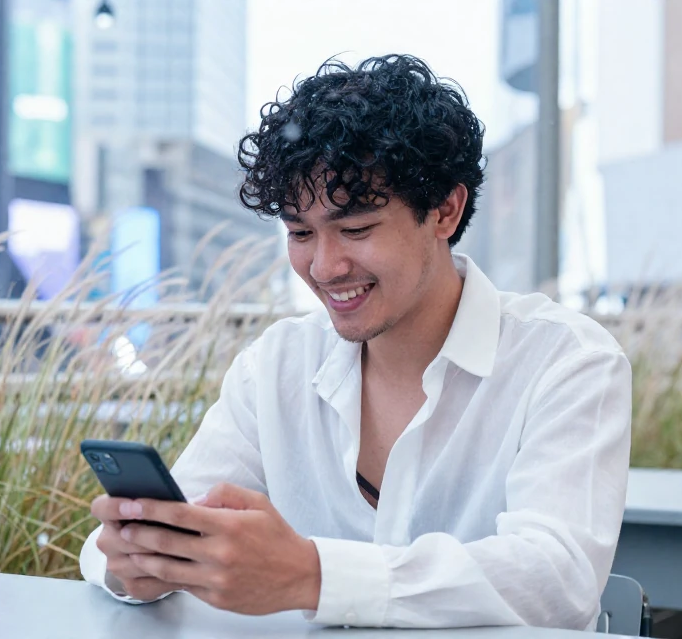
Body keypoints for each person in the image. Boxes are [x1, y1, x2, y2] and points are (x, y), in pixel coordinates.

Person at [79, 55, 631, 630]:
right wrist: (136, 563)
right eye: (299, 233)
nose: (324, 266)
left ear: (445, 210)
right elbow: (125, 544)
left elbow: (555, 578)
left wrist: (313, 577)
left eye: (356, 229)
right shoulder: (276, 365)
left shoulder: (567, 361)